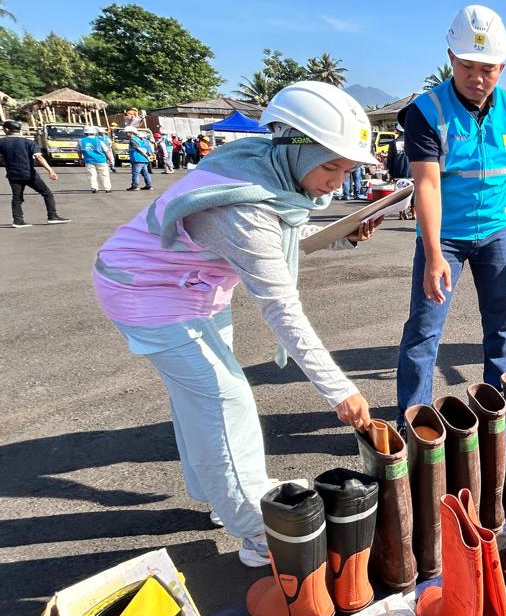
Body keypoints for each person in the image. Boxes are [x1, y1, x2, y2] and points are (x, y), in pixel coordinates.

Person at [93, 82, 383, 565]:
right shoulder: (244, 205)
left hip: (192, 290)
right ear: (294, 144)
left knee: (202, 401)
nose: (338, 181)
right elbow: (280, 304)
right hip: (147, 292)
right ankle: (256, 532)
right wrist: (338, 389)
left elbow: (276, 239)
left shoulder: (258, 168)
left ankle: (221, 494)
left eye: (348, 169)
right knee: (225, 401)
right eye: (330, 165)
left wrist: (342, 234)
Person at [396, 5, 506, 416]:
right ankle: (415, 419)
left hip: (496, 234)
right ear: (450, 58)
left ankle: (495, 410)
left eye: (488, 68)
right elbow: (427, 185)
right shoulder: (426, 112)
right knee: (424, 330)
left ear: (502, 66)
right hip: (444, 238)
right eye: (467, 66)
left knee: (501, 325)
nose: (477, 78)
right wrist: (432, 256)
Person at [1, 120, 69, 227]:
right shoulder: (28, 142)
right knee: (47, 193)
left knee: (17, 197)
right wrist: (50, 170)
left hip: (13, 175)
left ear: (6, 130)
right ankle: (52, 216)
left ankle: (18, 221)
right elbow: (39, 157)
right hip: (29, 173)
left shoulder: (2, 142)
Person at [79, 126, 114, 193]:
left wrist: (80, 159)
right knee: (104, 174)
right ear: (95, 133)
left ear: (85, 133)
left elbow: (79, 151)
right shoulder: (99, 141)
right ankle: (107, 188)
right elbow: (106, 151)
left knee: (92, 175)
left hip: (89, 160)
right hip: (101, 160)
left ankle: (94, 188)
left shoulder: (81, 141)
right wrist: (110, 159)